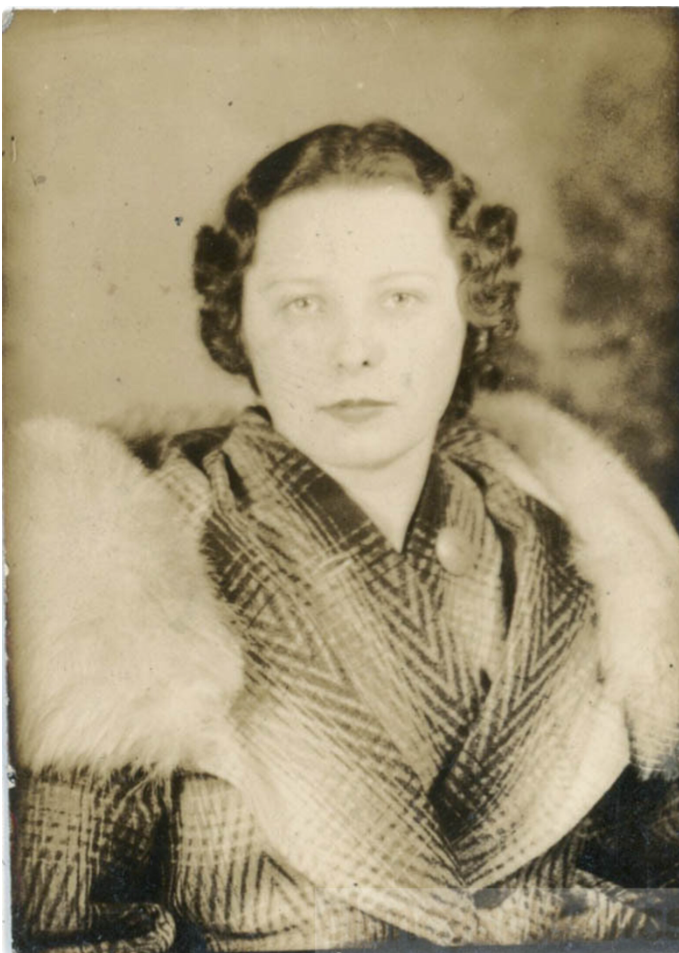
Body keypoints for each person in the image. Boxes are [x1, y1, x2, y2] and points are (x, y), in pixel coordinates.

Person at [8, 120, 679, 952]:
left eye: (399, 298)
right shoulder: (127, 563)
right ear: (238, 323)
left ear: (470, 313)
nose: (352, 351)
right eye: (301, 304)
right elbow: (62, 929)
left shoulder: (584, 544)